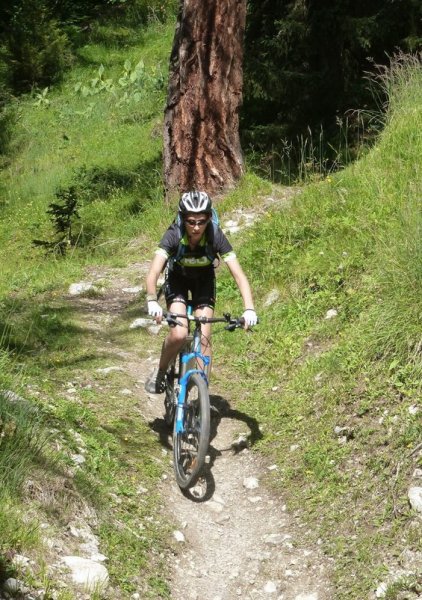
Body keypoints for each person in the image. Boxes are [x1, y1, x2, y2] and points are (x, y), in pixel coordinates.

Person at [144, 190, 258, 394]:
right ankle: (160, 371)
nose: (196, 227)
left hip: (203, 282)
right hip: (177, 280)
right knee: (179, 334)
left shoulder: (216, 236)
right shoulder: (173, 234)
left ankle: (202, 394)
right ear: (182, 219)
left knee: (204, 335)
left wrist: (249, 308)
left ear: (209, 218)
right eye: (190, 221)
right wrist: (152, 300)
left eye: (202, 221)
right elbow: (153, 271)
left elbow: (239, 275)